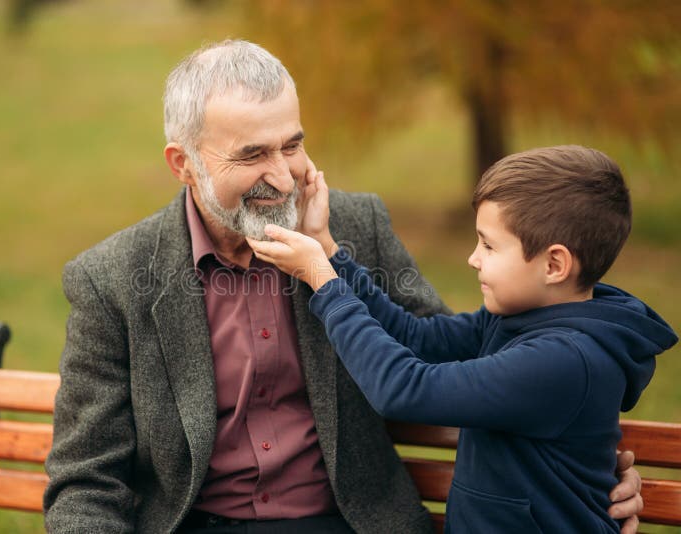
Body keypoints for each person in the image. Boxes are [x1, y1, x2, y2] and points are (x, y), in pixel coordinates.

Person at [43, 39, 644, 533]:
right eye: (252, 154)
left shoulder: (353, 228)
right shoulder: (113, 279)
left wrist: (591, 470)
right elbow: (86, 479)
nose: (281, 178)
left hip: (346, 522)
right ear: (184, 163)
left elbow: (455, 358)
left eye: (293, 144)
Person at [248, 145, 676, 532]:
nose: (472, 259)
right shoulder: (521, 318)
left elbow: (402, 389)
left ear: (554, 265)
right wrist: (328, 250)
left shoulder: (563, 361)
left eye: (489, 247)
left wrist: (324, 284)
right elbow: (416, 337)